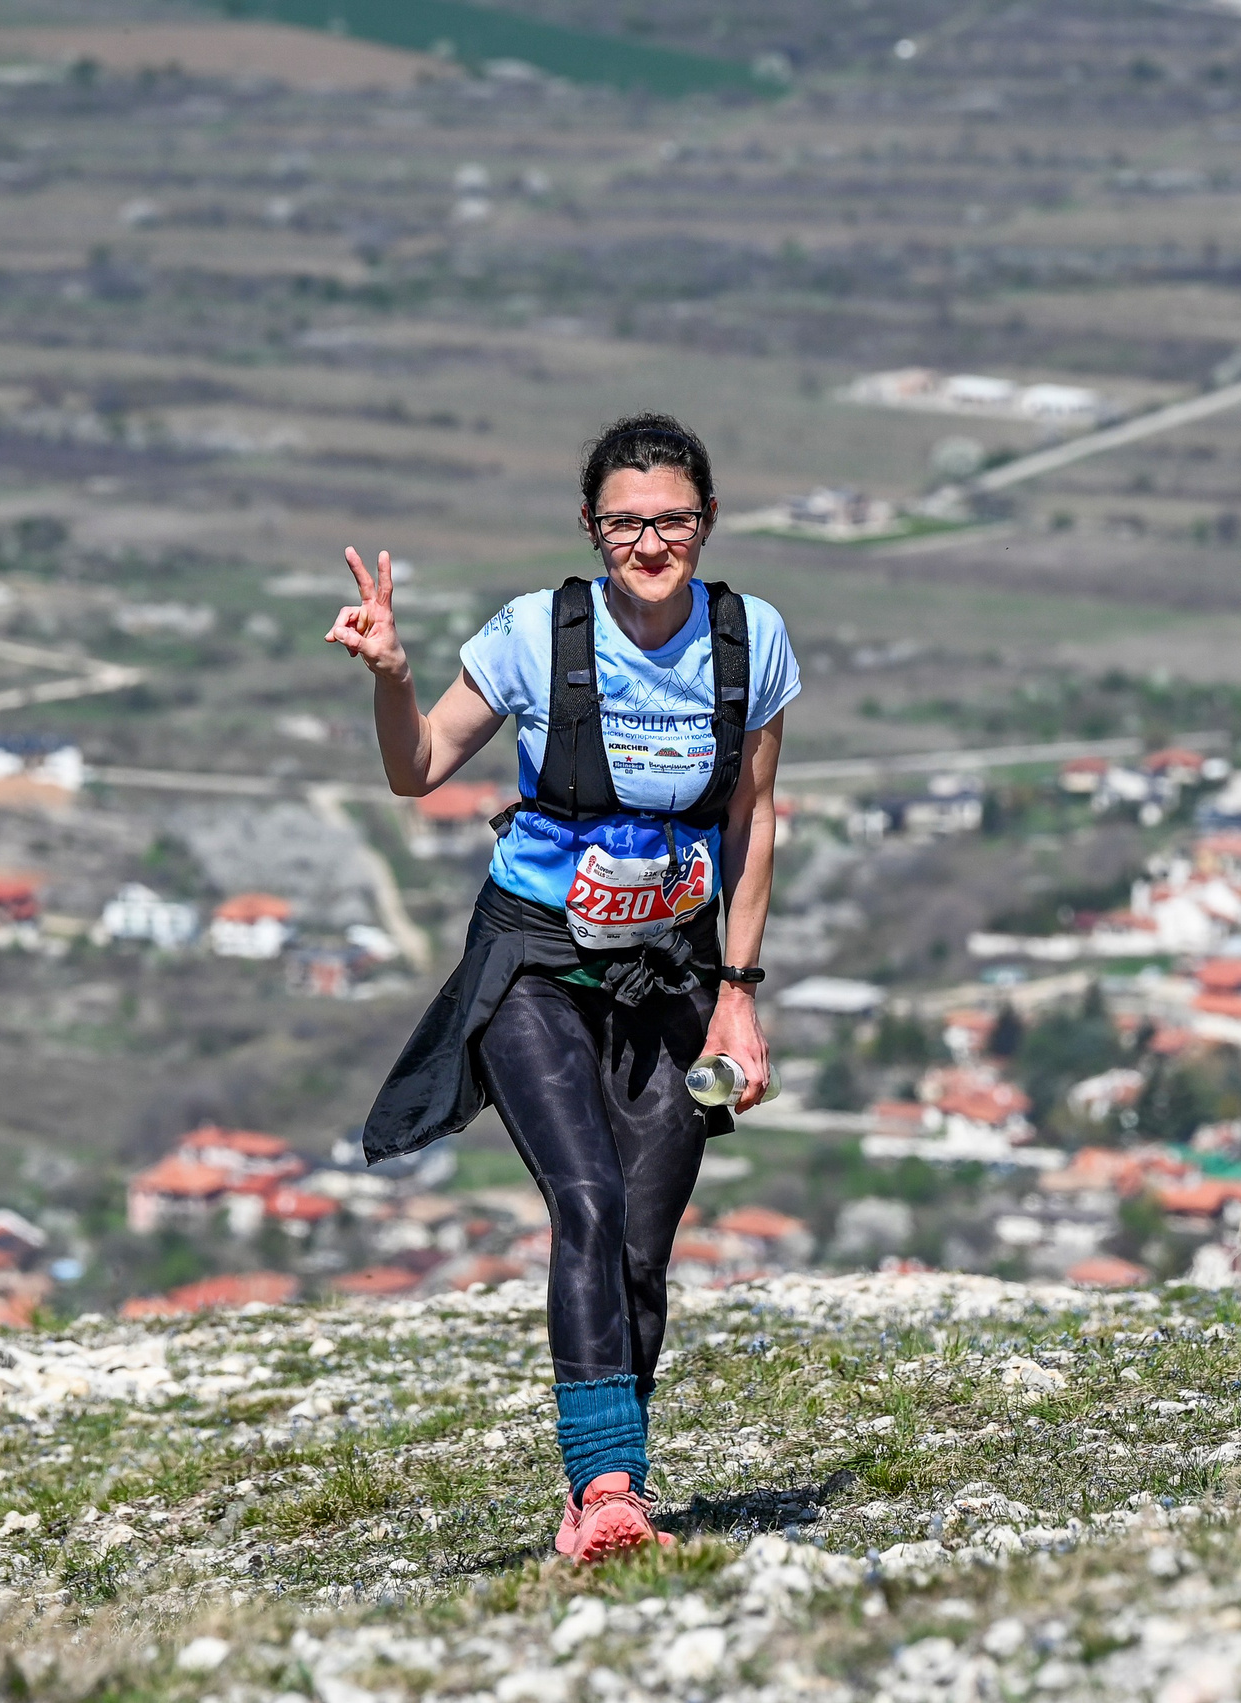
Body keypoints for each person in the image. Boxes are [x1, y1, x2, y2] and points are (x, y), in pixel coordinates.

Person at [326, 413, 800, 1563]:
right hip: (536, 958)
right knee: (584, 1199)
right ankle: (605, 1494)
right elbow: (417, 767)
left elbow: (751, 818)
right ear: (591, 528)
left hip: (676, 969)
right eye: (627, 521)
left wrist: (739, 991)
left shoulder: (753, 641)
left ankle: (613, 1468)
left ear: (708, 521)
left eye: (673, 518)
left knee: (643, 1234)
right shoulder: (535, 634)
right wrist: (392, 675)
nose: (651, 542)